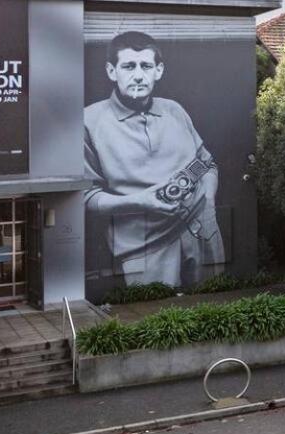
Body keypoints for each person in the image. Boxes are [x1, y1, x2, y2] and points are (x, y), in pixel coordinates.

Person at [84, 30, 224, 288]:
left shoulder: (174, 109)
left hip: (202, 232)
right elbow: (85, 197)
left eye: (146, 66)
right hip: (145, 247)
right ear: (111, 71)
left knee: (214, 309)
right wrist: (141, 201)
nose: (138, 75)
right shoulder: (89, 122)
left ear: (158, 70)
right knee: (156, 319)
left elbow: (207, 165)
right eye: (128, 66)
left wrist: (209, 203)